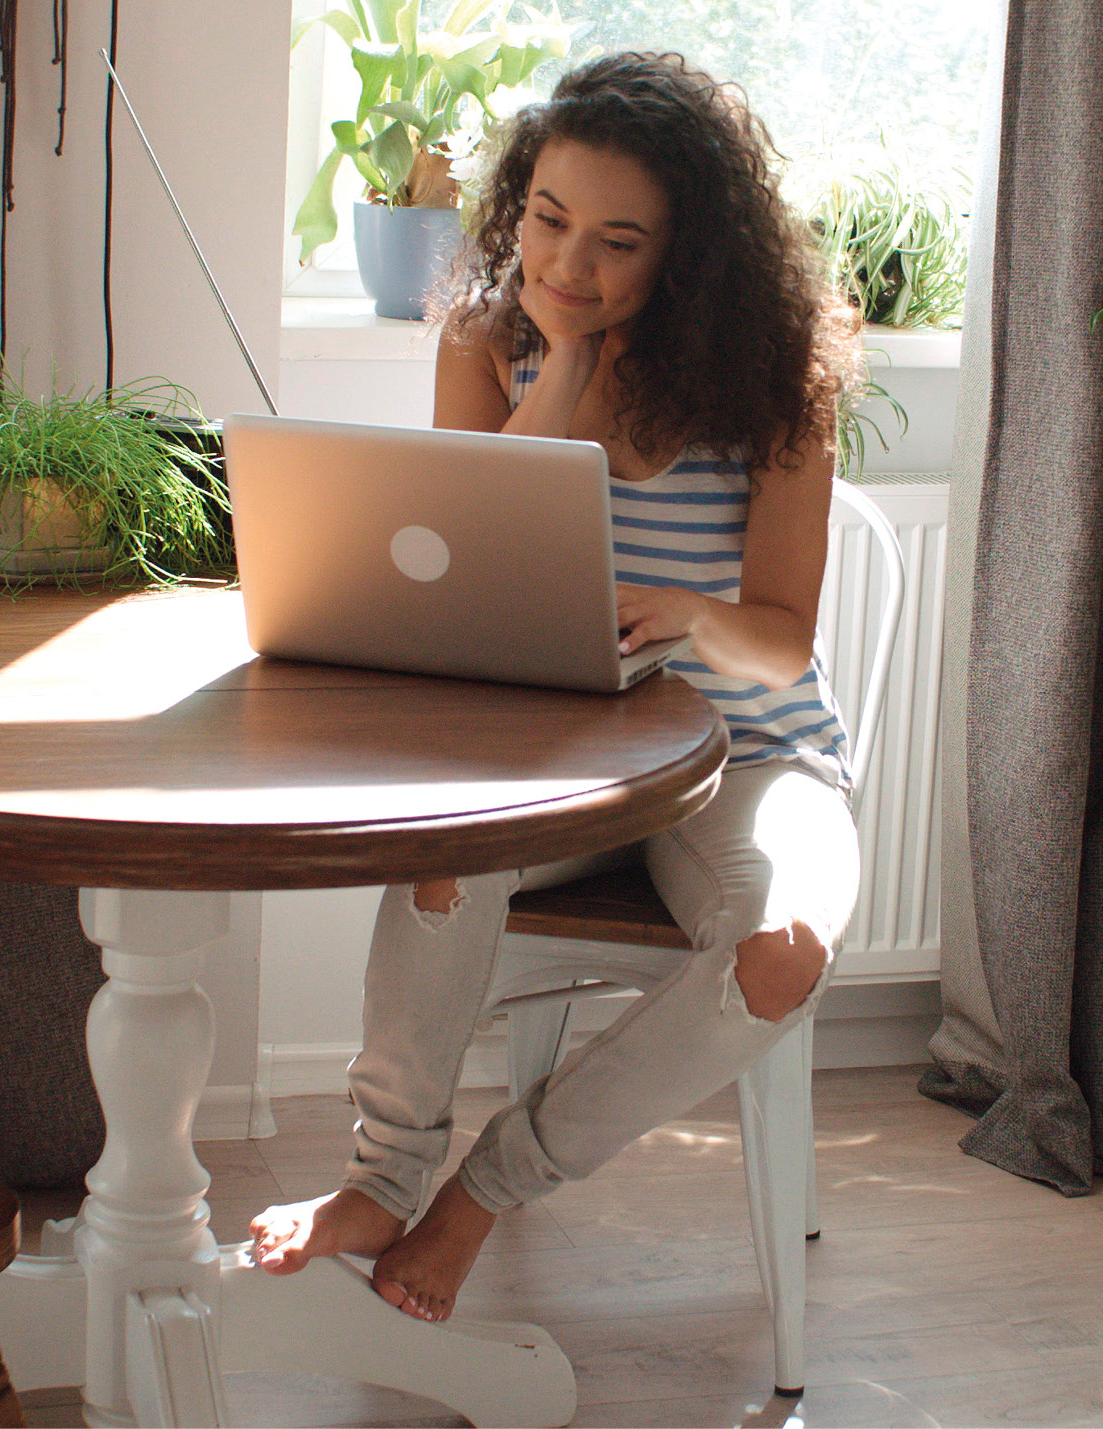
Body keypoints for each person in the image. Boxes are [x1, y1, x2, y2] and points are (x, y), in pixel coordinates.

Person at [247, 51, 867, 1324]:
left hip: (751, 758)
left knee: (787, 949)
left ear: (688, 256)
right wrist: (570, 362)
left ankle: (486, 1189)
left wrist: (692, 614)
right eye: (547, 219)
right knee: (441, 855)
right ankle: (381, 1180)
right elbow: (468, 554)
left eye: (617, 243)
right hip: (558, 755)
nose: (568, 263)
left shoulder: (777, 376)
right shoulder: (492, 340)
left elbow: (782, 645)